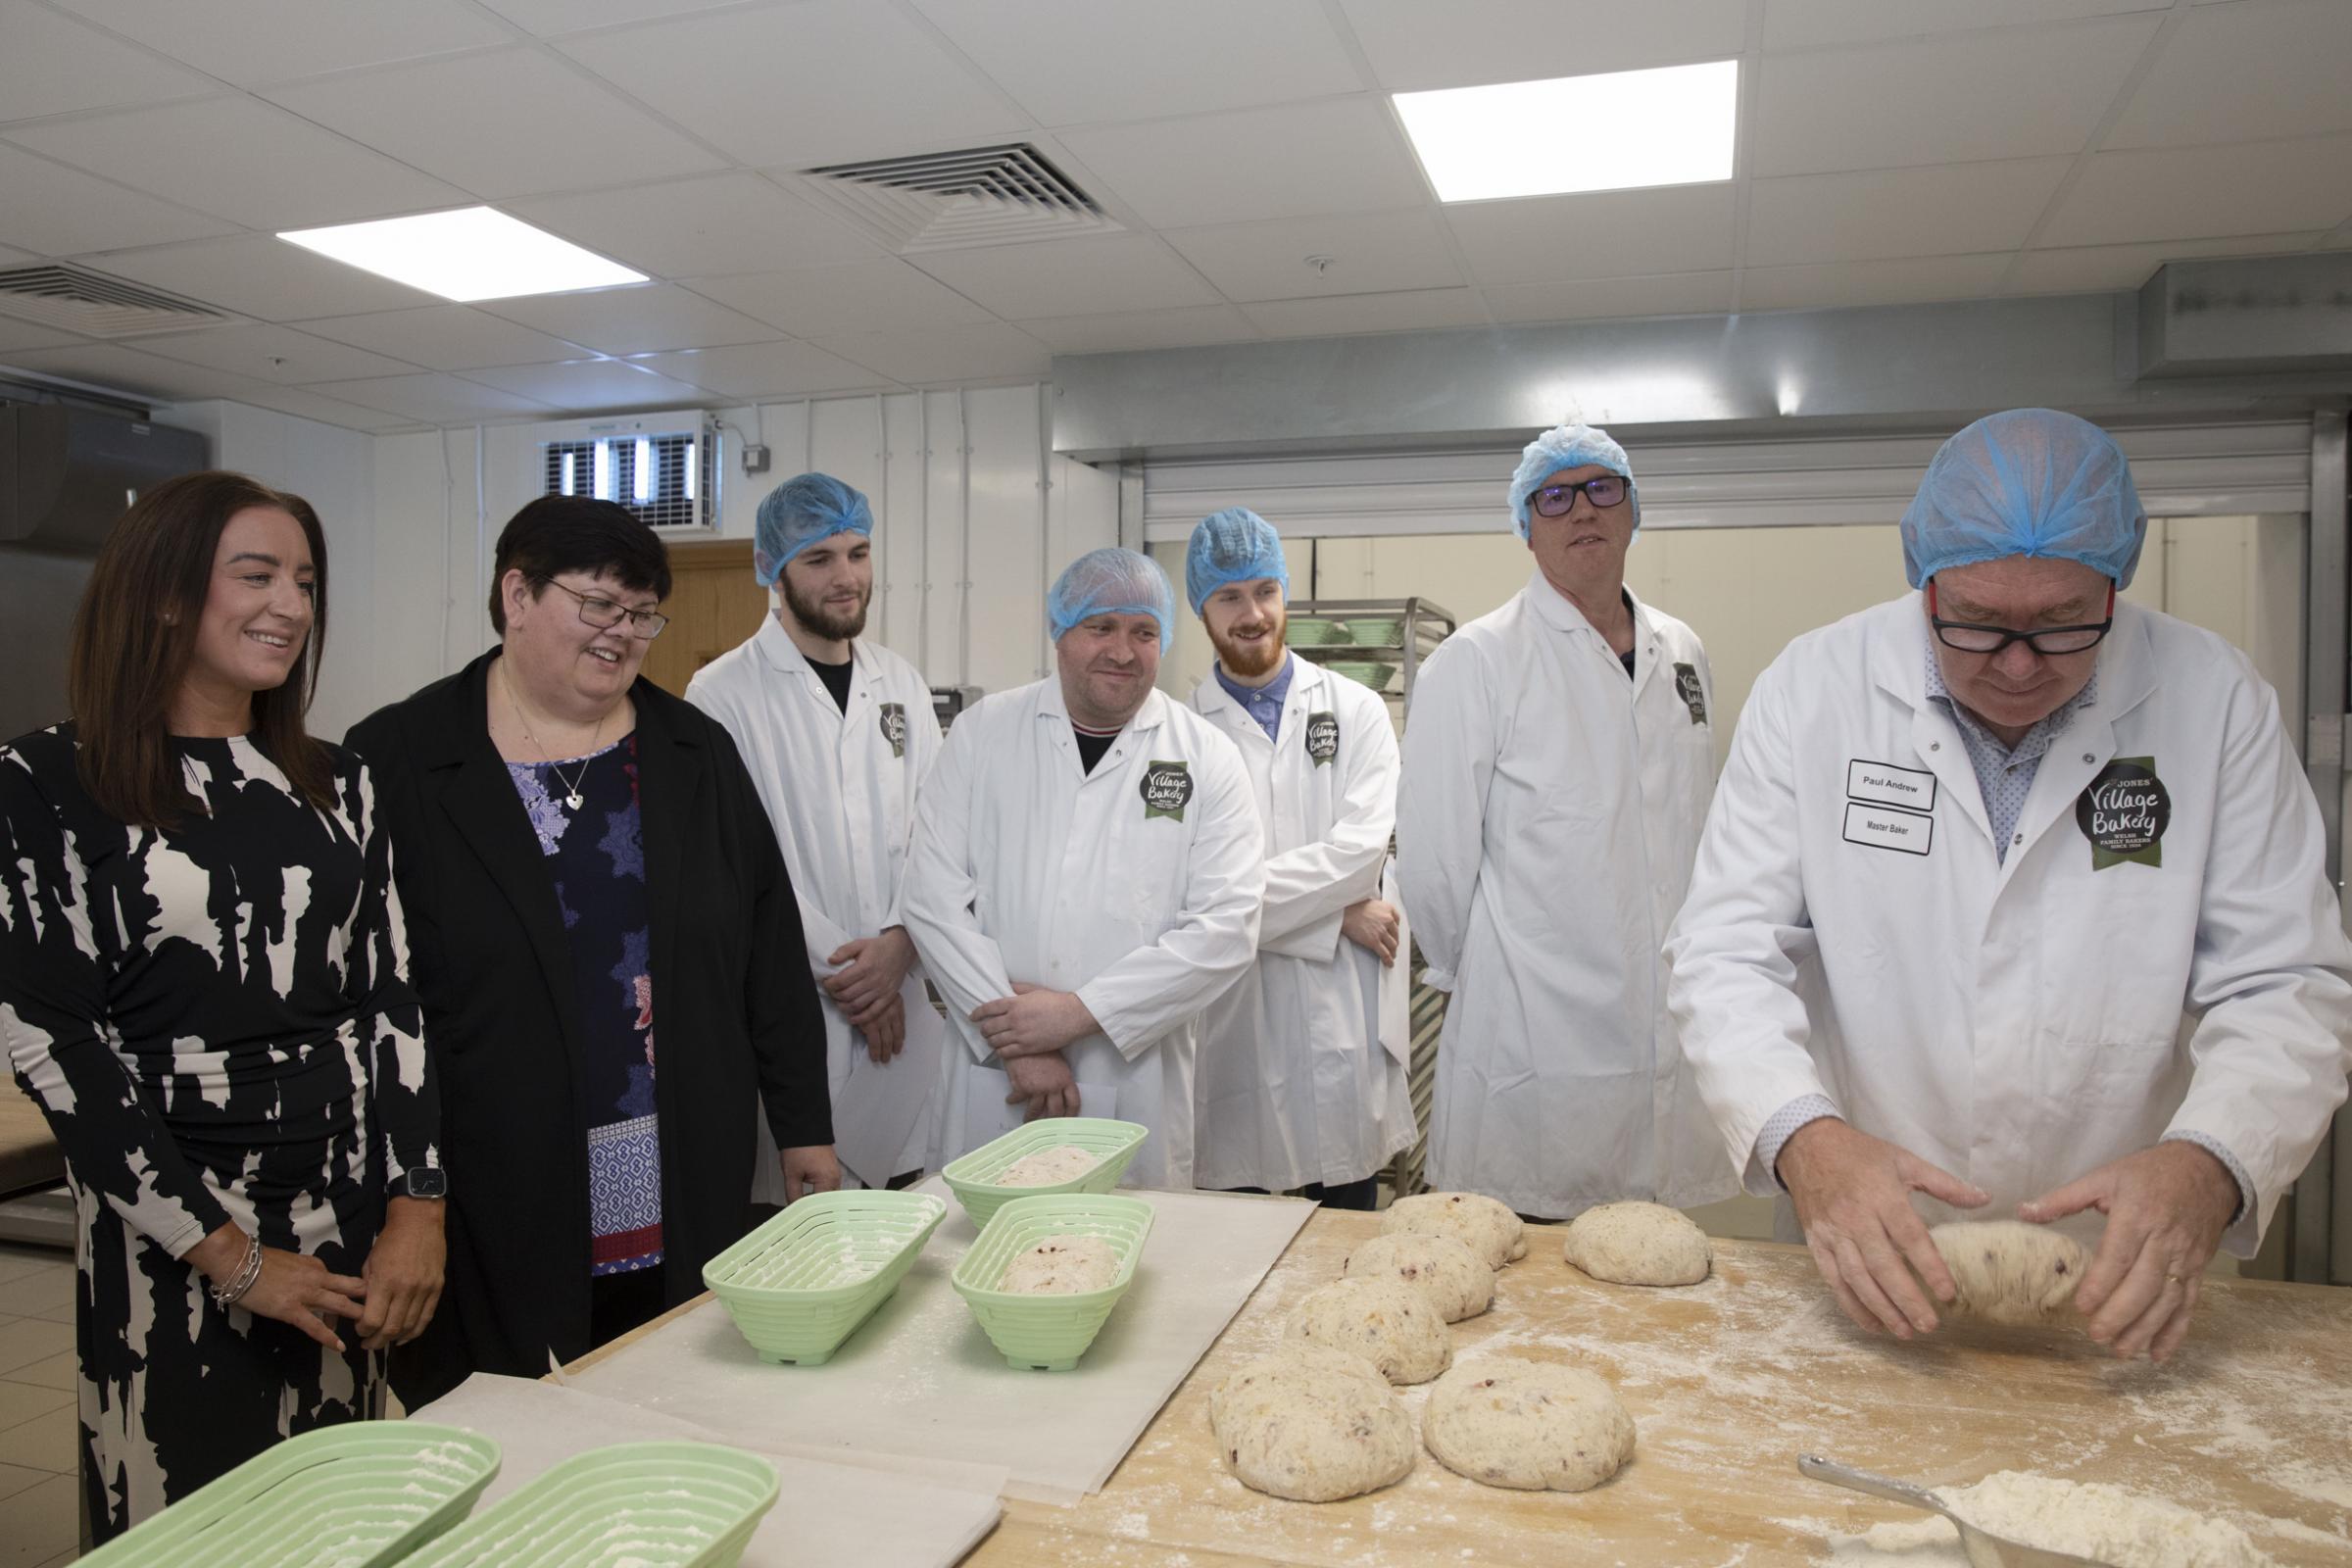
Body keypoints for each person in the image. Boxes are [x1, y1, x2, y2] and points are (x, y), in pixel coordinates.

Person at [1666, 408, 2352, 1363]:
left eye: (2066, 624)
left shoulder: (2215, 699)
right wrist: (1804, 1140)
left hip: (2119, 1263)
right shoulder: (1817, 688)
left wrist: (2213, 1162)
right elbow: (1725, 951)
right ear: (1925, 579)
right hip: (1872, 1234)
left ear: (2116, 584)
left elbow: (2288, 982)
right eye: (1980, 625)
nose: (2022, 665)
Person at [0, 472, 442, 1541]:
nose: (290, 604)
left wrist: (417, 1209)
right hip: (174, 1227)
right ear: (161, 594)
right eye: (256, 575)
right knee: (195, 1521)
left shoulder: (340, 781)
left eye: (303, 581)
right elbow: (55, 1043)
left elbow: (391, 1002)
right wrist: (232, 1257)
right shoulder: (49, 780)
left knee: (338, 1516)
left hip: (345, 1223)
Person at [347, 496, 837, 1407]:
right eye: (599, 606)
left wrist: (804, 1122)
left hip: (669, 1145)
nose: (625, 634)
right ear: (517, 594)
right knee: (507, 1413)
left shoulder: (694, 753)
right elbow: (368, 996)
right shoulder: (399, 759)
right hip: (491, 1166)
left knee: (666, 1385)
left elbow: (767, 945)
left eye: (644, 614)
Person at [1396, 421, 1733, 1219]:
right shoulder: (1478, 661)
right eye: (1555, 496)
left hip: (1667, 1035)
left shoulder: (1680, 650)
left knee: (1659, 1300)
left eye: (1601, 488)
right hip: (1533, 1042)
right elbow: (1435, 868)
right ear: (1527, 525)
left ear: (1631, 510)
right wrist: (1484, 976)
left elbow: (1694, 828)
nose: (1582, 509)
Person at [902, 548, 1263, 1188]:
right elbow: (932, 899)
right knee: (977, 1257)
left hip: (1133, 1080)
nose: (1123, 651)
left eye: (1144, 632)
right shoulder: (984, 733)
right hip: (997, 1075)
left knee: (1126, 1265)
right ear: (1061, 632)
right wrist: (1016, 1043)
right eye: (1102, 628)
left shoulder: (1208, 758)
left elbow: (1227, 929)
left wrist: (1079, 1013)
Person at [687, 473, 945, 1195]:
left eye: (858, 554)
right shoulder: (721, 694)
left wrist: (898, 945)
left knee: (908, 1212)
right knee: (808, 1231)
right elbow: (741, 861)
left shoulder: (901, 683)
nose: (847, 578)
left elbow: (940, 836)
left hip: (905, 996)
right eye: (820, 559)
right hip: (798, 1003)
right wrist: (854, 978)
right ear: (773, 570)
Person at [1182, 509, 1414, 1209]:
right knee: (1236, 1256)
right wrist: (1333, 917)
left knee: (1347, 1242)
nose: (1252, 614)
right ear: (1202, 607)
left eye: (1264, 591)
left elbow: (1357, 857)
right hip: (1233, 1034)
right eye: (1229, 597)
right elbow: (1191, 901)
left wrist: (1333, 895)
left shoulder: (1357, 710)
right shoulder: (1179, 736)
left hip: (1339, 1026)